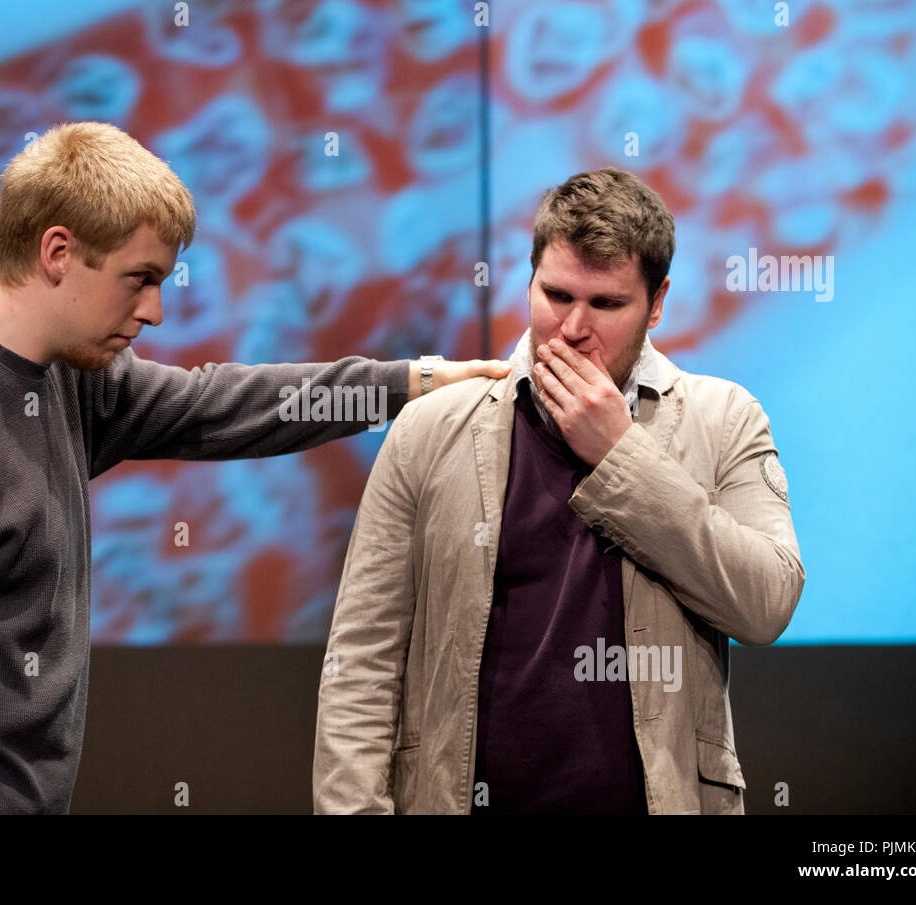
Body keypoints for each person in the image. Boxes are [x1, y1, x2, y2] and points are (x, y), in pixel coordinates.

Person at [0, 121, 508, 814]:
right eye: (140, 278)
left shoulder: (69, 376)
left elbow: (217, 403)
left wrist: (407, 381)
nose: (155, 310)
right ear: (58, 252)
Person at [313, 167, 804, 814]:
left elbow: (766, 602)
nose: (572, 328)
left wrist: (621, 453)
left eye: (605, 304)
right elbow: (362, 661)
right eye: (555, 295)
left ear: (656, 304)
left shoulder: (726, 417)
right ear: (529, 282)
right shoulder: (433, 427)